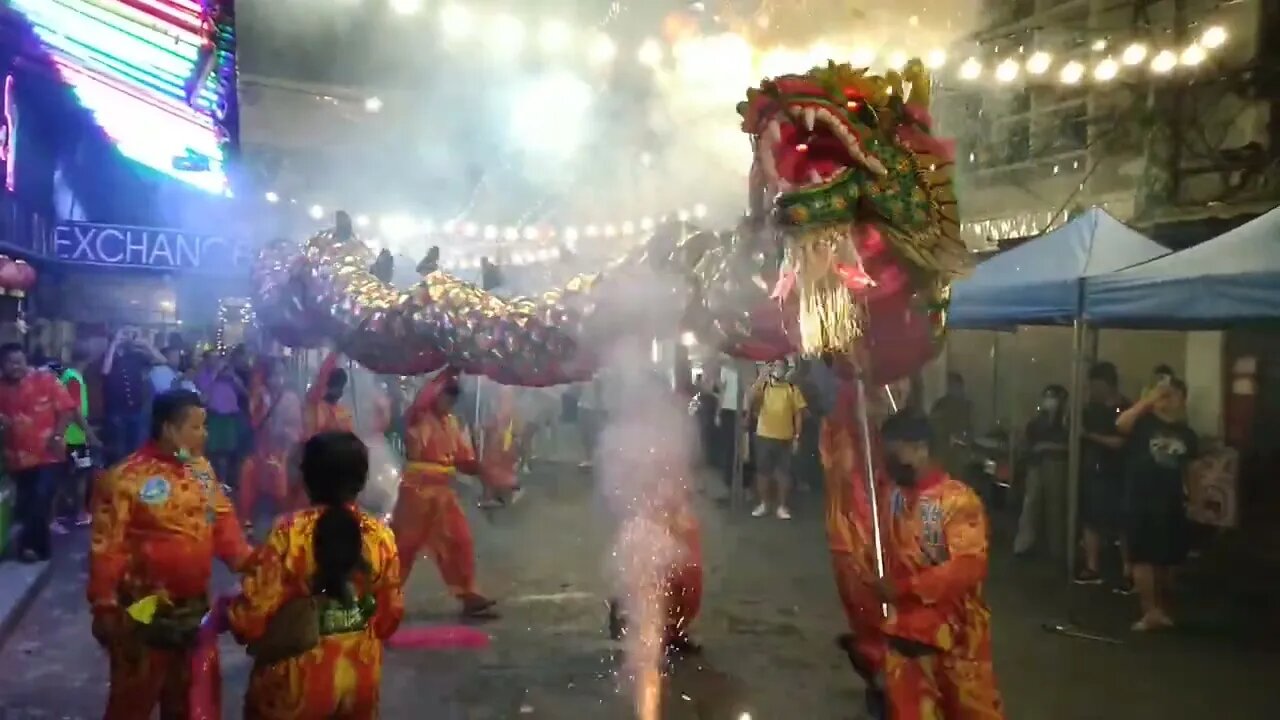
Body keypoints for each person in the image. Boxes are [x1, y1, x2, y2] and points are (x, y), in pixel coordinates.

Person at [88, 390, 252, 719]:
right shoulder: (124, 478)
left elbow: (223, 525)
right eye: (196, 427)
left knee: (189, 702)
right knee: (132, 701)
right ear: (169, 430)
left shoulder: (202, 471)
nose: (204, 434)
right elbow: (107, 548)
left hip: (194, 611)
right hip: (141, 611)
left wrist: (256, 565)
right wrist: (104, 605)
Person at [228, 431, 405, 718]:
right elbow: (389, 618)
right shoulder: (381, 536)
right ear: (361, 480)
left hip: (294, 685)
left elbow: (250, 619)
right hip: (359, 679)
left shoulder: (288, 534)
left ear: (307, 479)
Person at [874, 410, 1005, 720]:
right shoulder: (894, 496)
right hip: (903, 634)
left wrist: (906, 589)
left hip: (955, 638)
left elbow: (968, 566)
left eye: (895, 452)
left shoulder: (958, 501)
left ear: (921, 448)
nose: (888, 461)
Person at [390, 369, 498, 618]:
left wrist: (484, 471)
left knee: (460, 542)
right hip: (416, 493)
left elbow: (463, 460)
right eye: (445, 396)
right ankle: (380, 596)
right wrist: (450, 369)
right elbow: (423, 397)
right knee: (403, 548)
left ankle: (468, 595)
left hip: (443, 494)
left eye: (452, 398)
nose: (448, 402)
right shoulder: (418, 416)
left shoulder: (451, 422)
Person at [1116, 377, 1197, 631]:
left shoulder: (1187, 433)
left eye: (1172, 395)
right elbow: (1121, 424)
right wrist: (1148, 401)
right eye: (1163, 395)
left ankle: (1160, 609)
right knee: (1142, 558)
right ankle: (1148, 610)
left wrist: (1195, 499)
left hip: (1171, 500)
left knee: (1166, 560)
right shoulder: (1143, 423)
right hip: (1140, 499)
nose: (1166, 401)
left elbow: (1190, 469)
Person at [0, 343, 79, 562]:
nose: (15, 367)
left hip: (49, 455)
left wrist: (57, 436)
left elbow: (67, 410)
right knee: (28, 504)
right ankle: (41, 549)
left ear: (27, 361)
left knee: (40, 497)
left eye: (19, 362)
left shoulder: (45, 380)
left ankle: (28, 548)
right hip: (16, 459)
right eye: (10, 363)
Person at [1077, 362, 1133, 589]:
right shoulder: (1091, 408)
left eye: (1096, 385)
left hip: (1119, 472)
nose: (1094, 390)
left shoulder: (1125, 410)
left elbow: (1121, 442)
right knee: (1090, 519)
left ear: (1108, 384)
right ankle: (1093, 567)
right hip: (1094, 470)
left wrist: (1091, 436)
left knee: (1122, 523)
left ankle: (1128, 570)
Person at [238, 360, 303, 529]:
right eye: (275, 374)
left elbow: (297, 427)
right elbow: (254, 420)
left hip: (284, 453)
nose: (278, 379)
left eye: (281, 374)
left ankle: (285, 528)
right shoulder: (260, 396)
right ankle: (252, 527)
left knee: (282, 494)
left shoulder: (291, 398)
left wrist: (286, 434)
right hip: (262, 452)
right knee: (255, 489)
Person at [1013, 385, 1069, 558]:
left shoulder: (1066, 421)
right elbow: (1028, 442)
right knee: (1031, 504)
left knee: (1056, 507)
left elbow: (1070, 444)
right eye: (1047, 396)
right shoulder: (1037, 422)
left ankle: (1057, 548)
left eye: (1053, 397)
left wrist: (1045, 446)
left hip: (1057, 465)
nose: (1049, 401)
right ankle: (1024, 544)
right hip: (1037, 465)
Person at [53, 343, 104, 533]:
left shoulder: (68, 375)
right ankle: (80, 513)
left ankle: (64, 514)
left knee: (66, 476)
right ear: (89, 358)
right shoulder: (74, 378)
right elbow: (73, 409)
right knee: (80, 475)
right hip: (75, 436)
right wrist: (90, 433)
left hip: (70, 435)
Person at [748, 359, 807, 520]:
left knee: (783, 474)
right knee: (763, 473)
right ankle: (764, 503)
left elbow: (799, 415)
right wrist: (761, 377)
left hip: (785, 437)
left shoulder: (792, 389)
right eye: (775, 366)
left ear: (787, 369)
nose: (778, 369)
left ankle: (782, 506)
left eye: (782, 366)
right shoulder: (764, 386)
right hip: (764, 436)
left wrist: (797, 437)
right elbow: (750, 398)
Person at [102, 327, 164, 465]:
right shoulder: (109, 355)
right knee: (117, 453)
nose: (128, 337)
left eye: (130, 334)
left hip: (136, 409)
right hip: (117, 411)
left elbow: (161, 361)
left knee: (135, 450)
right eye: (125, 333)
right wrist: (115, 343)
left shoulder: (137, 355)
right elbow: (105, 370)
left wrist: (145, 343)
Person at [196, 351, 248, 487]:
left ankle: (224, 483)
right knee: (212, 452)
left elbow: (244, 392)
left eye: (217, 358)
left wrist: (233, 378)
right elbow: (203, 395)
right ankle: (210, 483)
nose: (216, 361)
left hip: (230, 418)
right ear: (206, 360)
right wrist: (215, 374)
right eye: (212, 358)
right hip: (214, 417)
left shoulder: (229, 376)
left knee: (227, 453)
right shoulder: (203, 375)